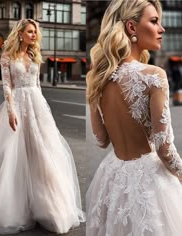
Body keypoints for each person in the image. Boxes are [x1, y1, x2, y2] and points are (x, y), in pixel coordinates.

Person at [0, 19, 85, 234]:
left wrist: (45, 112)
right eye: (30, 32)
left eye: (35, 32)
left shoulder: (34, 55)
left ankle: (48, 206)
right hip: (18, 105)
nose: (34, 35)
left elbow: (37, 85)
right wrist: (11, 111)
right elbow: (7, 86)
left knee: (43, 152)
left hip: (37, 105)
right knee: (15, 155)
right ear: (20, 34)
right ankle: (15, 202)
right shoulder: (7, 56)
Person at [86, 1, 182, 236]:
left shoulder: (98, 77)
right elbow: (163, 148)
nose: (162, 29)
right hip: (150, 182)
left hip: (113, 177)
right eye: (154, 21)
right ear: (131, 27)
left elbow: (101, 140)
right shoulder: (154, 75)